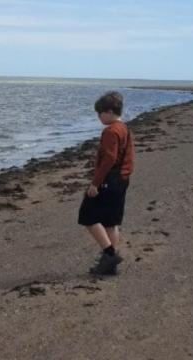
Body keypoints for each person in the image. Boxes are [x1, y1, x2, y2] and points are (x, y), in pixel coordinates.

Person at [78, 91, 134, 275]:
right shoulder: (124, 128)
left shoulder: (111, 131)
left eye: (100, 113)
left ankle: (110, 254)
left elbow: (109, 158)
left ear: (109, 112)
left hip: (110, 179)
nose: (98, 117)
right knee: (111, 222)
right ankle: (110, 265)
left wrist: (95, 183)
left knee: (87, 215)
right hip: (122, 179)